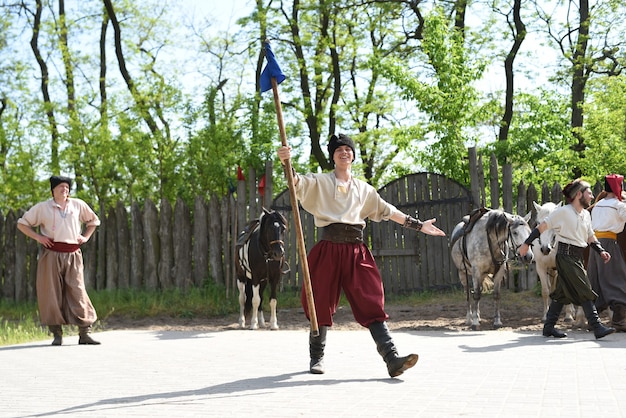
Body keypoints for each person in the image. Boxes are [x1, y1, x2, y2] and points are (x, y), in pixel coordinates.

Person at [277, 134, 446, 377]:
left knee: (371, 301)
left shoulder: (365, 190)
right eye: (339, 150)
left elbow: (388, 211)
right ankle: (317, 357)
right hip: (328, 248)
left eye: (348, 149)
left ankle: (392, 359)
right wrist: (287, 163)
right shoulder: (321, 182)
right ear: (333, 156)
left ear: (353, 155)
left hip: (356, 250)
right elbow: (296, 183)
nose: (344, 153)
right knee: (319, 301)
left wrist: (419, 225)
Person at [519, 179, 615, 339]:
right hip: (565, 256)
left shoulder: (585, 214)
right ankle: (597, 326)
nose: (592, 196)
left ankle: (548, 327)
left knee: (562, 294)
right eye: (589, 192)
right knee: (585, 289)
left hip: (576, 257)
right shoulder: (563, 212)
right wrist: (526, 244)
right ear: (579, 194)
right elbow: (541, 227)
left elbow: (591, 236)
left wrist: (601, 251)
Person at [17, 175, 102, 346]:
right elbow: (22, 224)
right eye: (61, 187)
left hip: (72, 254)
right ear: (53, 190)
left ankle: (84, 333)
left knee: (77, 290)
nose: (65, 190)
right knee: (51, 292)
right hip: (51, 254)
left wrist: (85, 237)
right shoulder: (43, 208)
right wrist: (38, 238)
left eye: (67, 187)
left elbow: (93, 221)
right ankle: (57, 334)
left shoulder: (77, 205)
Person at [588, 174, 626, 332]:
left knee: (595, 279)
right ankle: (619, 320)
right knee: (616, 278)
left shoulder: (598, 204)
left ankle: (593, 320)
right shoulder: (619, 205)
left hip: (594, 245)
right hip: (609, 243)